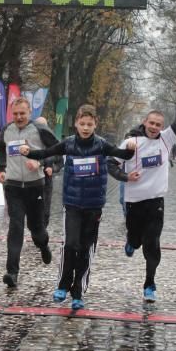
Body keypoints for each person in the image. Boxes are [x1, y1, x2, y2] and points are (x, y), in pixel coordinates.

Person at [20, 104, 136, 309]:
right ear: (76, 123)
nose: (85, 127)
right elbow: (47, 152)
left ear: (95, 125)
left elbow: (121, 154)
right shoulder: (68, 144)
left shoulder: (101, 145)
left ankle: (78, 291)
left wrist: (130, 149)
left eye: (89, 124)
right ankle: (63, 285)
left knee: (85, 248)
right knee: (71, 244)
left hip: (94, 205)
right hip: (72, 203)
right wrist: (29, 152)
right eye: (82, 124)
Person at [112, 77, 176, 302]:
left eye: (158, 124)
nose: (155, 127)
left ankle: (150, 283)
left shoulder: (166, 140)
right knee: (136, 241)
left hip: (156, 201)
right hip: (133, 201)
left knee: (152, 243)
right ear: (144, 123)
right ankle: (130, 241)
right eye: (152, 123)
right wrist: (125, 176)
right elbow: (111, 164)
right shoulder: (132, 142)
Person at [0, 97, 58, 287]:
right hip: (13, 187)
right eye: (15, 114)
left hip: (35, 186)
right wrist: (3, 170)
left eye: (22, 113)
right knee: (15, 228)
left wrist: (40, 162)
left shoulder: (39, 130)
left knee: (36, 229)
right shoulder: (7, 130)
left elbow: (56, 150)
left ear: (30, 113)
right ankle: (12, 272)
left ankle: (43, 244)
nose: (19, 117)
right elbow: (1, 149)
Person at [35, 117, 63, 229]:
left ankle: (43, 229)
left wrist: (53, 168)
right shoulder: (31, 143)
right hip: (33, 182)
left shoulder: (53, 143)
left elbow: (60, 163)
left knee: (46, 210)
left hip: (47, 182)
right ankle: (36, 230)